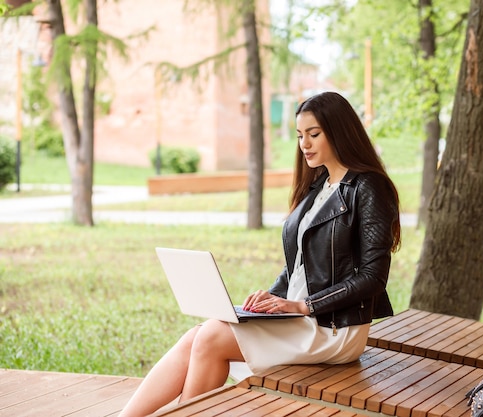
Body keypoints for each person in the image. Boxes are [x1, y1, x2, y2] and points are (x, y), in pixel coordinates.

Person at [119, 91, 401, 416]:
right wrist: (269, 300)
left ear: (339, 131)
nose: (304, 144)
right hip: (300, 317)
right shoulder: (318, 186)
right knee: (196, 336)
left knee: (210, 337)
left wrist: (303, 305)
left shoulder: (368, 187)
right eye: (300, 135)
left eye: (314, 134)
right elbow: (298, 265)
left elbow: (373, 279)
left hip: (334, 327)